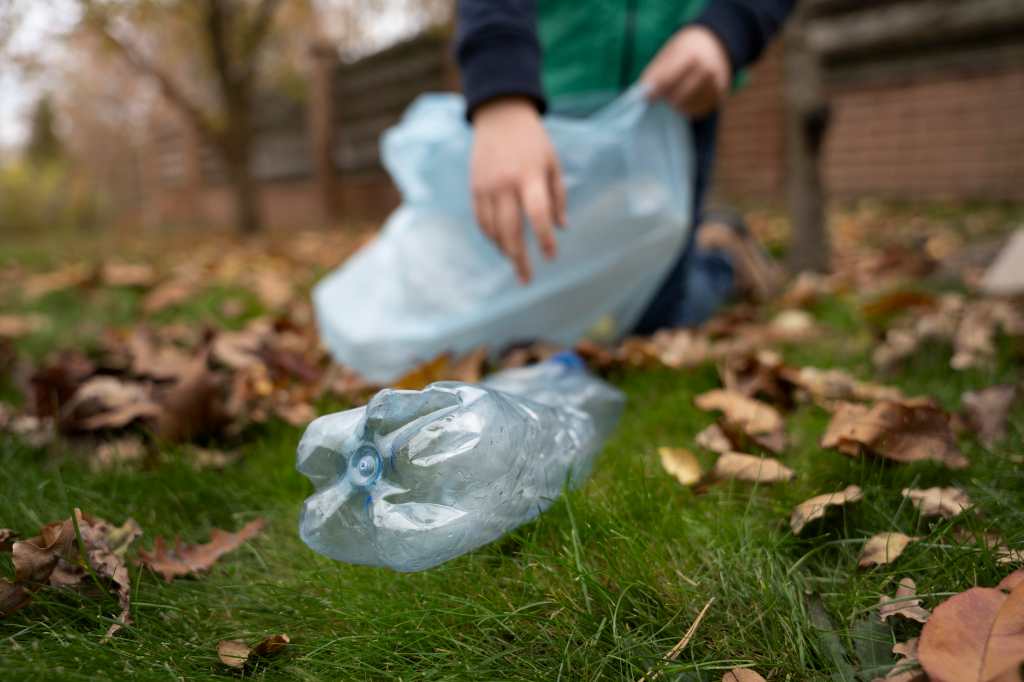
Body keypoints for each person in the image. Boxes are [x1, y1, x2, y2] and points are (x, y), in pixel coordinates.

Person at [455, 0, 793, 332]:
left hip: (675, 95)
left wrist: (726, 27)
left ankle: (721, 261)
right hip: (550, 94)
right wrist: (502, 89)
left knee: (656, 316)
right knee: (528, 299)